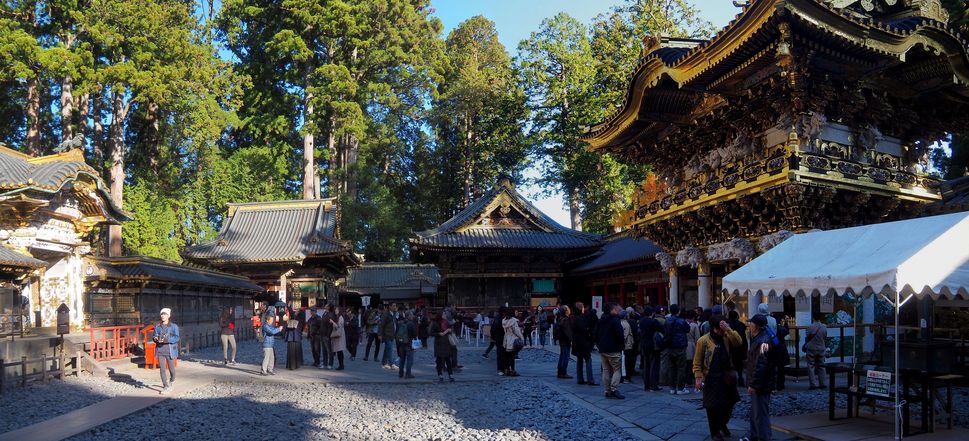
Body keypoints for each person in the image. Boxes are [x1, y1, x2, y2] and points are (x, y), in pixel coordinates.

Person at [694, 315, 742, 441]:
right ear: (715, 328)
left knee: (730, 403)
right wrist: (698, 377)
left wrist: (729, 329)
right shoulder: (703, 341)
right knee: (712, 407)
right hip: (711, 377)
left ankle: (722, 423)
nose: (724, 329)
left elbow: (739, 342)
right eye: (722, 327)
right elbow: (697, 361)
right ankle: (715, 431)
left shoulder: (727, 337)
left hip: (726, 376)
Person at [741, 314, 775, 441]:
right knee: (756, 412)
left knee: (760, 413)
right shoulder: (760, 338)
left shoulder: (763, 341)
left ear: (756, 326)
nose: (749, 326)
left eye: (751, 324)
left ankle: (763, 437)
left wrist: (754, 384)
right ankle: (755, 435)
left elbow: (761, 364)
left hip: (761, 384)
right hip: (760, 382)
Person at [596, 303, 625, 399]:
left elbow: (595, 333)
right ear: (611, 310)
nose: (617, 311)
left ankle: (607, 390)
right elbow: (620, 335)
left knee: (606, 370)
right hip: (613, 348)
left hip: (603, 348)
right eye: (615, 309)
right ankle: (614, 388)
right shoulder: (615, 320)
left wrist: (599, 344)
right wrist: (621, 345)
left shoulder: (601, 320)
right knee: (616, 369)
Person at [664, 304, 691, 395]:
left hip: (670, 346)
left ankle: (672, 387)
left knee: (671, 367)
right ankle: (680, 387)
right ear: (678, 311)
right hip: (680, 346)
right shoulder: (681, 321)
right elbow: (688, 329)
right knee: (681, 368)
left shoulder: (667, 321)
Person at [153, 308, 180, 394]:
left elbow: (177, 338)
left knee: (172, 369)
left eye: (165, 314)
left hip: (170, 351)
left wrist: (167, 339)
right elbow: (154, 336)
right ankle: (165, 386)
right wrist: (155, 338)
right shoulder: (157, 326)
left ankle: (172, 381)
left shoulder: (174, 326)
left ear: (168, 316)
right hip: (160, 350)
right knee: (162, 369)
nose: (163, 316)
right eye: (162, 314)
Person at [638, 306, 664, 391]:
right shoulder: (653, 322)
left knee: (646, 365)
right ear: (652, 313)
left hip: (644, 344)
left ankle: (647, 385)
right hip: (653, 345)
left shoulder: (641, 321)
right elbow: (662, 329)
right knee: (654, 365)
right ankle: (654, 384)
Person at [571, 302, 597, 386]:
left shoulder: (575, 317)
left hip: (577, 341)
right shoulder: (580, 318)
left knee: (579, 360)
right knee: (588, 359)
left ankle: (580, 378)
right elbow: (584, 330)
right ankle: (590, 379)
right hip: (583, 342)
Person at [804, 312, 828, 390]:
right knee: (821, 366)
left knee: (811, 366)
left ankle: (813, 384)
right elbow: (825, 337)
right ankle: (823, 383)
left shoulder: (810, 327)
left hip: (811, 348)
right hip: (821, 348)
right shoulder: (824, 326)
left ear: (813, 318)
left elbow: (807, 338)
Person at [429, 310, 455, 382]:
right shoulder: (435, 323)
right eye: (444, 314)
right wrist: (438, 334)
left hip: (446, 343)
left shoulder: (446, 322)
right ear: (440, 315)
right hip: (439, 343)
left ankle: (450, 374)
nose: (445, 315)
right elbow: (430, 333)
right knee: (439, 360)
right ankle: (440, 374)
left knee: (448, 359)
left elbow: (451, 330)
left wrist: (449, 330)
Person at [501, 308, 524, 377]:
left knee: (506, 356)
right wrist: (521, 338)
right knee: (512, 357)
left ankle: (507, 370)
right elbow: (517, 331)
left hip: (506, 339)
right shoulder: (513, 321)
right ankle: (513, 371)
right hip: (512, 339)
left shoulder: (504, 321)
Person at [395, 311, 417, 378]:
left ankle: (400, 373)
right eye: (412, 315)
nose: (413, 316)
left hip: (401, 344)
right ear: (409, 316)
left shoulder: (400, 323)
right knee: (410, 360)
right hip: (409, 344)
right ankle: (408, 374)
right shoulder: (411, 324)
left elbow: (396, 334)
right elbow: (415, 335)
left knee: (402, 359)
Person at [554, 305, 573, 379]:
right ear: (566, 311)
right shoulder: (565, 319)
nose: (569, 309)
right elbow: (567, 331)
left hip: (562, 340)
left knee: (562, 355)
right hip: (565, 340)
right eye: (568, 308)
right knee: (565, 356)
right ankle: (563, 372)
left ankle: (560, 371)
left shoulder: (560, 318)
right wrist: (571, 340)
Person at [380, 304, 399, 369]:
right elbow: (381, 324)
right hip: (387, 334)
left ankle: (384, 363)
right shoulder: (386, 314)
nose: (395, 307)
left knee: (387, 349)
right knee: (390, 348)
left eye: (395, 306)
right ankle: (392, 364)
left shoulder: (393, 314)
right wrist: (379, 334)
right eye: (393, 306)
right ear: (390, 306)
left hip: (392, 334)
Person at [685, 310, 701, 386]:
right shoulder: (694, 325)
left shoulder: (683, 323)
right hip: (691, 345)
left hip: (683, 345)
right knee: (691, 364)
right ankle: (689, 380)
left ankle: (684, 380)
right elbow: (697, 338)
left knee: (684, 364)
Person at [619, 310, 636, 383]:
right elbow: (625, 336)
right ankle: (626, 377)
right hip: (627, 345)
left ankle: (624, 376)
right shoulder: (626, 324)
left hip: (624, 345)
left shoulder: (620, 322)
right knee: (627, 362)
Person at [319, 305, 334, 369]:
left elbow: (330, 326)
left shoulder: (330, 314)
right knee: (324, 350)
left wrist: (328, 335)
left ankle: (330, 363)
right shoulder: (324, 313)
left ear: (329, 307)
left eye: (326, 306)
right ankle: (325, 363)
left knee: (329, 350)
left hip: (327, 335)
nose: (325, 306)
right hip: (322, 334)